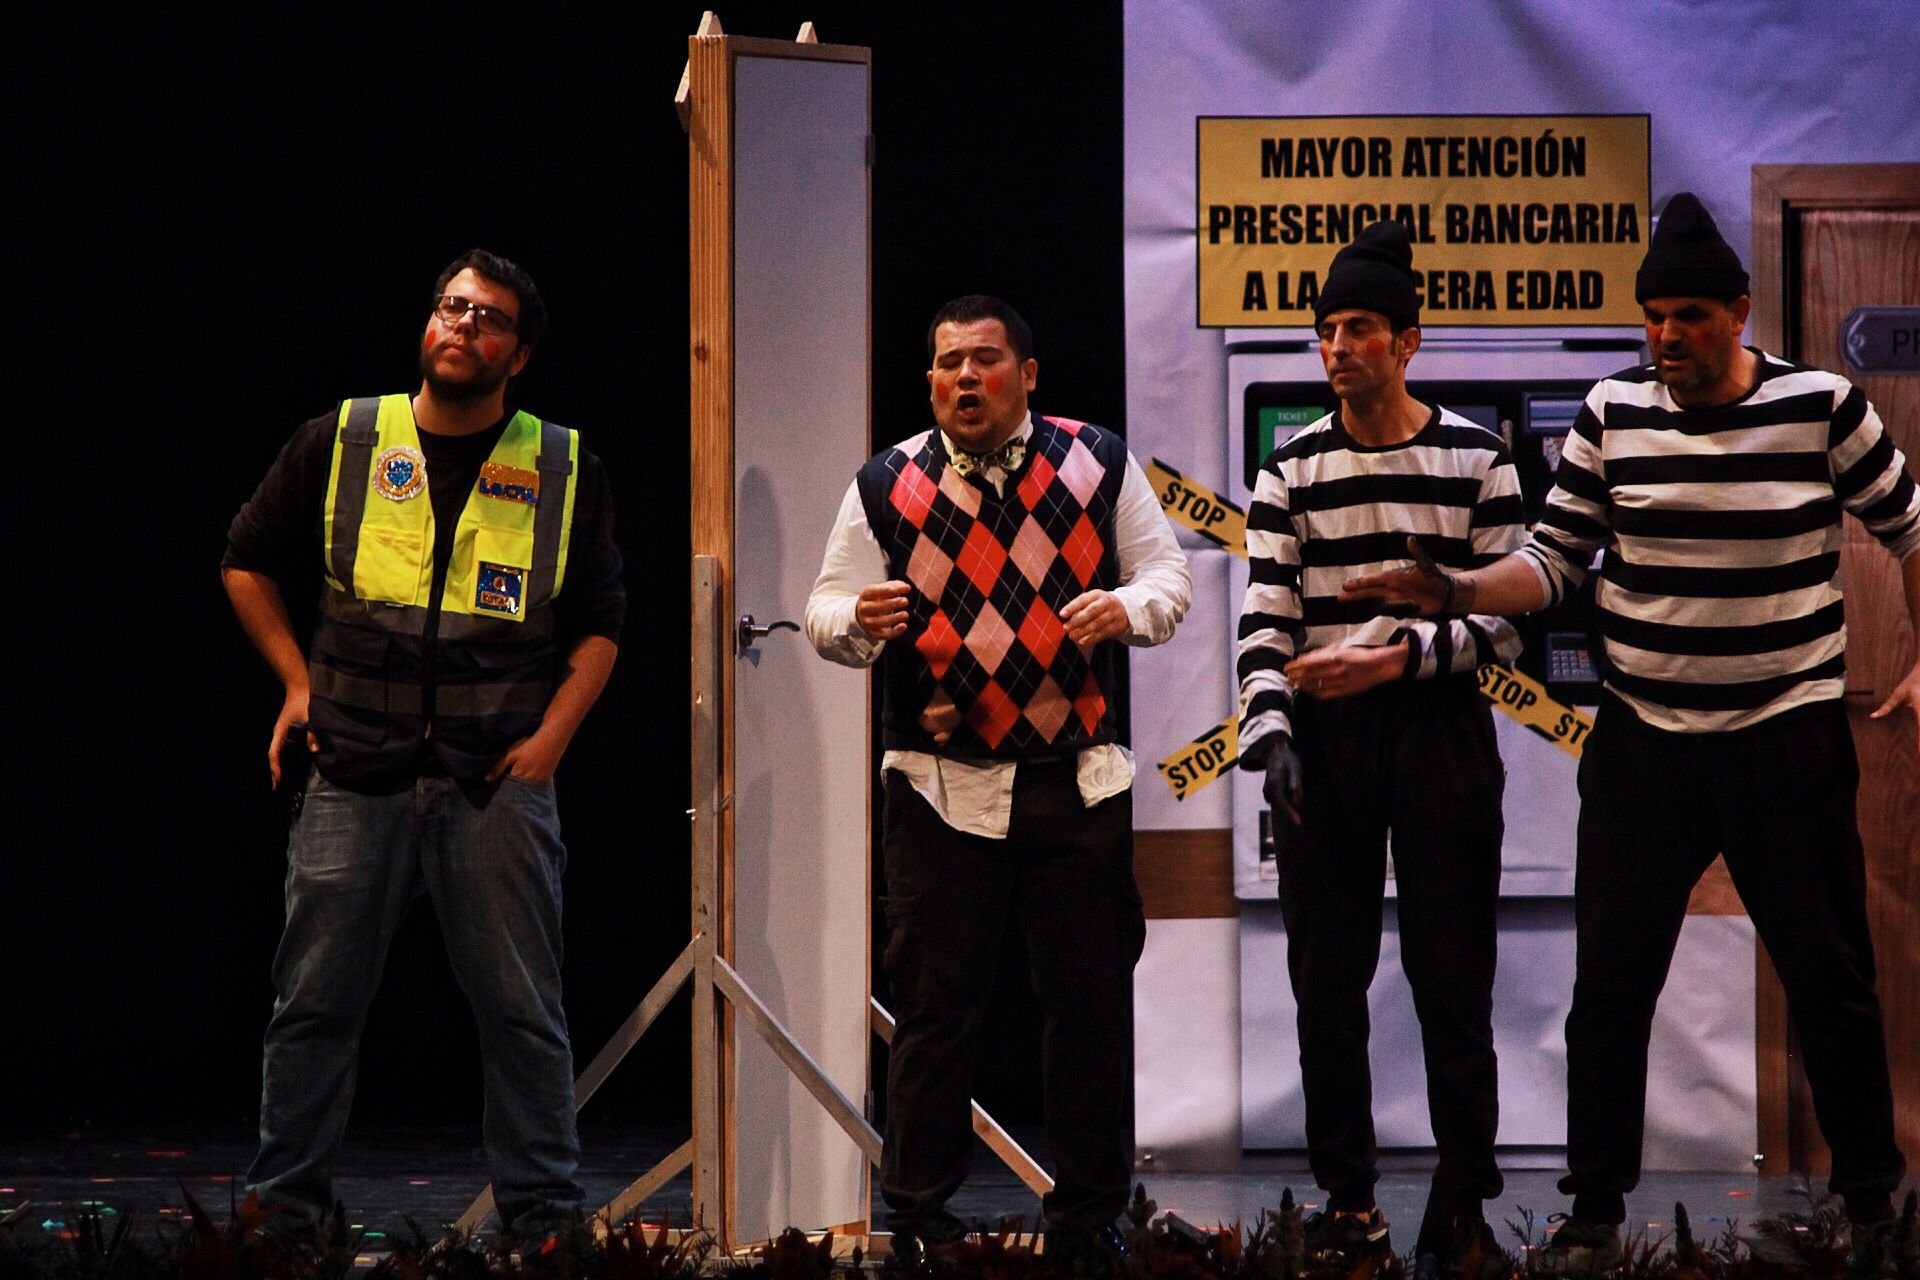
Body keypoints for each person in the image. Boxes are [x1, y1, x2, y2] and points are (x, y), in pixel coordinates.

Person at [1345, 192, 1918, 1276]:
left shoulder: (1822, 406)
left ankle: (1871, 1203)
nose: (1667, 336)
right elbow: (1555, 562)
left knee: (1830, 975)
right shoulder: (1613, 411)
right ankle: (1595, 1206)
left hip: (1784, 737)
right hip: (1646, 742)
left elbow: (1911, 525)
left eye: (1691, 315)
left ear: (1740, 313)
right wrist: (1459, 585)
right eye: (1653, 315)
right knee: (1609, 983)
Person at [223, 249, 625, 1239]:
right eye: (452, 307)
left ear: (517, 354)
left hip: (494, 778)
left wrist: (551, 743)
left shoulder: (562, 463)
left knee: (523, 1015)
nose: (463, 326)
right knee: (312, 1003)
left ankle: (543, 1221)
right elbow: (245, 559)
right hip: (352, 767)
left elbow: (602, 621)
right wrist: (295, 681)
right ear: (427, 324)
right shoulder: (347, 436)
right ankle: (287, 1213)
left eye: (488, 318)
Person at [806, 294, 1190, 1256]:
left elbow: (1168, 580)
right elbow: (821, 611)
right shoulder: (888, 480)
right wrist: (862, 616)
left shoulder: (1096, 460)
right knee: (935, 1013)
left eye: (983, 359)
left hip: (1077, 777)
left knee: (1088, 1008)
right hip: (940, 784)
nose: (962, 377)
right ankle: (921, 1225)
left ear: (1027, 374)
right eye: (945, 363)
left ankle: (1088, 1222)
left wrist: (1124, 611)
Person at [1235, 219, 1525, 1276]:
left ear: (1409, 340)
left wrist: (1398, 660)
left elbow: (1506, 621)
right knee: (1326, 977)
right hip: (1326, 734)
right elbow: (1264, 621)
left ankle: (1462, 1202)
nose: (1336, 346)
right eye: (1324, 330)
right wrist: (1271, 736)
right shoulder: (1292, 469)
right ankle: (1348, 1203)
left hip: (1437, 725)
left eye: (1359, 327)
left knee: (1454, 973)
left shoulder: (1476, 457)